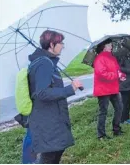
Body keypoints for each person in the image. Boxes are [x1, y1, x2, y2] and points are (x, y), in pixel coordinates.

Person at [28, 30, 83, 164]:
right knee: (50, 156)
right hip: (47, 120)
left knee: (56, 152)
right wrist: (70, 89)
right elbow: (41, 93)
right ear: (52, 44)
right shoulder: (44, 63)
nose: (63, 46)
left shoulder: (46, 62)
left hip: (51, 117)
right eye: (61, 42)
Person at [93, 39, 126, 140]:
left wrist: (121, 75)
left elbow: (117, 70)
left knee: (119, 108)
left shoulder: (112, 57)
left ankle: (116, 129)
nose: (111, 46)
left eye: (111, 44)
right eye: (109, 45)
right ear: (103, 47)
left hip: (113, 87)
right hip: (103, 89)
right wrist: (116, 75)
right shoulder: (99, 58)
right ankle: (101, 135)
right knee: (103, 111)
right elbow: (102, 74)